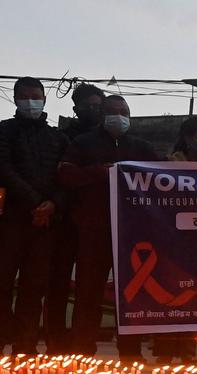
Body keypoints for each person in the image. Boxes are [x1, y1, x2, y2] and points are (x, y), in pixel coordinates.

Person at [59, 94, 159, 360]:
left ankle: (130, 352)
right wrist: (98, 172)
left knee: (132, 294)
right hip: (93, 229)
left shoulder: (142, 146)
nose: (119, 116)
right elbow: (66, 175)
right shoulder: (82, 143)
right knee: (88, 291)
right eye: (113, 111)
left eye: (124, 111)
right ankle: (82, 351)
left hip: (132, 232)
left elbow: (166, 176)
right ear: (103, 115)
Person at [0, 76, 69, 354]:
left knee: (34, 287)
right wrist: (36, 203)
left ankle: (25, 347)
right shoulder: (4, 132)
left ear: (44, 99)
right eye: (25, 96)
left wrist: (53, 204)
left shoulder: (58, 137)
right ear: (15, 99)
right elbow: (3, 168)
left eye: (36, 96)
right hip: (11, 220)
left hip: (47, 224)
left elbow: (67, 178)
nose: (31, 102)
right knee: (2, 283)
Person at [151, 117, 197, 365]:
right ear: (188, 138)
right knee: (168, 296)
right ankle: (166, 349)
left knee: (195, 297)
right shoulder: (167, 166)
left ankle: (189, 348)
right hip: (171, 240)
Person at [48, 83, 105, 354]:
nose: (93, 111)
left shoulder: (110, 140)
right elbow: (61, 177)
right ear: (76, 109)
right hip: (64, 221)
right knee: (58, 284)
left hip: (96, 224)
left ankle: (84, 344)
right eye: (88, 106)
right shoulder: (63, 138)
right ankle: (56, 343)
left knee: (90, 288)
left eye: (98, 106)